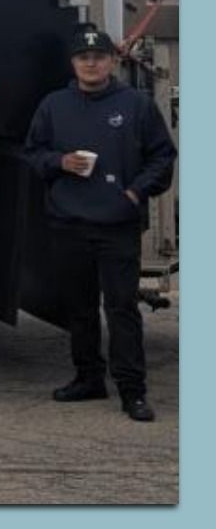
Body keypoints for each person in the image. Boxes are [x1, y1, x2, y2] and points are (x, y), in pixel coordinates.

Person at [24, 24, 177, 423]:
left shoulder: (136, 105)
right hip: (69, 222)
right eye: (83, 58)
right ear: (73, 63)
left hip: (117, 225)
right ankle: (88, 377)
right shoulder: (53, 105)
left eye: (98, 57)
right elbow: (33, 154)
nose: (91, 64)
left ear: (112, 61)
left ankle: (133, 391)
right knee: (79, 308)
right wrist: (60, 162)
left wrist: (134, 193)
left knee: (122, 308)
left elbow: (162, 157)